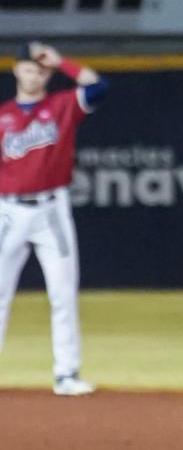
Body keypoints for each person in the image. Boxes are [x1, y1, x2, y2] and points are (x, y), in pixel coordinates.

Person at [0, 41, 105, 396]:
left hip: (51, 210)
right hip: (8, 211)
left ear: (47, 74)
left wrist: (61, 62)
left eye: (40, 70)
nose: (34, 74)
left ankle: (67, 374)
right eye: (28, 68)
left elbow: (97, 87)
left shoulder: (61, 106)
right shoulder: (2, 116)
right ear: (16, 71)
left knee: (62, 293)